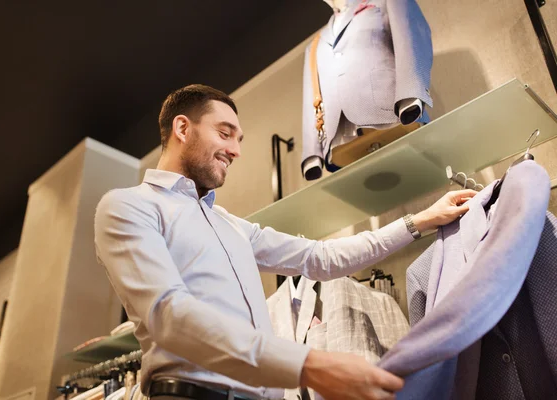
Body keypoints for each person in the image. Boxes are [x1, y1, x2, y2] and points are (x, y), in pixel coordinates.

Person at [94, 84, 477, 400]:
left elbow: (321, 257)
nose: (236, 150)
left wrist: (420, 221)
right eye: (225, 133)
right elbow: (168, 315)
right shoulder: (127, 206)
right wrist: (310, 364)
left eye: (239, 139)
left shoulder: (230, 225)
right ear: (182, 128)